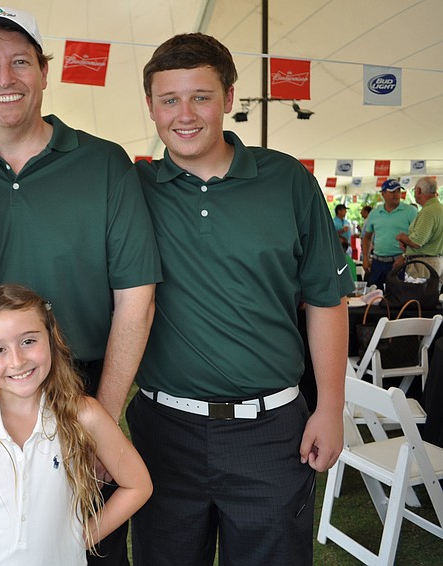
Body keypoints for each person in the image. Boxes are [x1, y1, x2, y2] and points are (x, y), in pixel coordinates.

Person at [0, 10, 161, 562]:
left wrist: (100, 418)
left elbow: (137, 299)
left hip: (84, 380)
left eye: (20, 62)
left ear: (45, 72)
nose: (5, 78)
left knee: (91, 540)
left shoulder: (105, 163)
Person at [127, 33, 354, 566]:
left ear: (229, 98)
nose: (185, 114)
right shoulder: (131, 184)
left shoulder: (288, 181)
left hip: (272, 432)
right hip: (163, 432)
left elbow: (326, 300)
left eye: (201, 96)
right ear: (151, 107)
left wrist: (331, 409)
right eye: (169, 99)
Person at [0, 284, 152, 566]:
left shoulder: (84, 415)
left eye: (28, 342)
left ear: (51, 339)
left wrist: (79, 538)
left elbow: (138, 485)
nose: (17, 361)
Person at [362, 179, 417, 288]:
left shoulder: (410, 211)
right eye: (392, 192)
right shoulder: (374, 213)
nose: (396, 195)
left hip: (399, 262)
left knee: (398, 297)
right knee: (374, 297)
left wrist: (404, 256)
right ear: (383, 194)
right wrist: (365, 258)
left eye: (398, 191)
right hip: (377, 262)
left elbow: (418, 238)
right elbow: (367, 237)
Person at [396, 176, 443, 285]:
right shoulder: (439, 209)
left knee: (418, 298)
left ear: (418, 191)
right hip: (437, 260)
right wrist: (407, 245)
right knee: (432, 298)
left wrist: (402, 237)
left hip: (424, 265)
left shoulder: (428, 212)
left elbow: (417, 242)